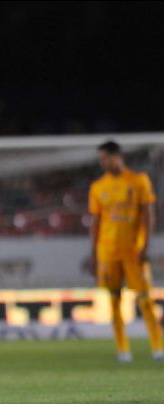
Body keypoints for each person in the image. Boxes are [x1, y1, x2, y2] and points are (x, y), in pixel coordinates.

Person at [89, 141, 163, 363]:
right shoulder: (98, 187)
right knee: (113, 301)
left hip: (133, 251)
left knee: (144, 300)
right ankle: (123, 349)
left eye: (105, 158)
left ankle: (158, 347)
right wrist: (94, 253)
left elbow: (149, 215)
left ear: (116, 156)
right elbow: (96, 222)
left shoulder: (138, 181)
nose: (103, 163)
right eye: (101, 159)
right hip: (107, 252)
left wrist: (145, 246)